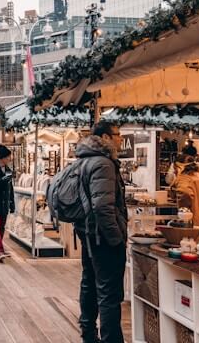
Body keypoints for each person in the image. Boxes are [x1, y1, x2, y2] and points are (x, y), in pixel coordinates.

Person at [74, 122, 128, 343]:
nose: (120, 138)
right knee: (109, 293)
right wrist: (116, 238)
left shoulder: (84, 160)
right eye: (117, 134)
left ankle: (88, 333)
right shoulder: (104, 163)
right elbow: (102, 206)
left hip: (87, 232)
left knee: (89, 283)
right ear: (106, 137)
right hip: (102, 236)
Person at [171, 155, 199, 227]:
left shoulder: (184, 177)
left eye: (174, 169)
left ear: (179, 167)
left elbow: (184, 193)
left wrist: (183, 212)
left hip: (192, 222)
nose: (174, 172)